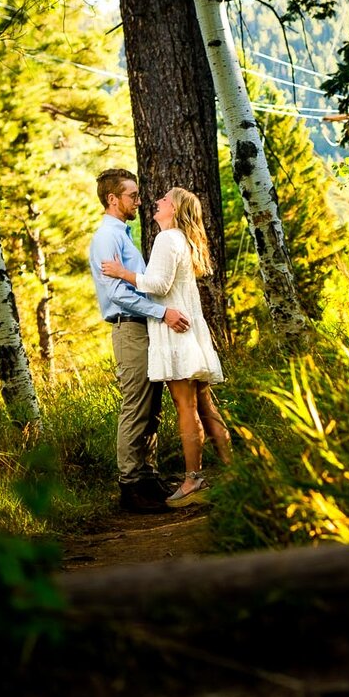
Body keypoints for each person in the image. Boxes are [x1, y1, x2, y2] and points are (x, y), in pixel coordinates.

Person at [100, 186, 231, 508]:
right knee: (204, 405)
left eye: (163, 200)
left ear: (174, 209)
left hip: (176, 332)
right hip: (190, 329)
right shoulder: (182, 240)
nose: (155, 203)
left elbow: (157, 285)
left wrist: (123, 273)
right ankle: (235, 472)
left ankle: (192, 480)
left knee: (186, 407)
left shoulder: (167, 238)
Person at [89, 169, 191, 510]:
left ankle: (148, 477)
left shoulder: (123, 234)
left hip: (142, 326)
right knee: (135, 406)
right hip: (128, 327)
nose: (139, 200)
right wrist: (162, 313)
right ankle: (130, 486)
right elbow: (117, 294)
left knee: (151, 407)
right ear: (112, 199)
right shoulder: (107, 237)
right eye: (132, 195)